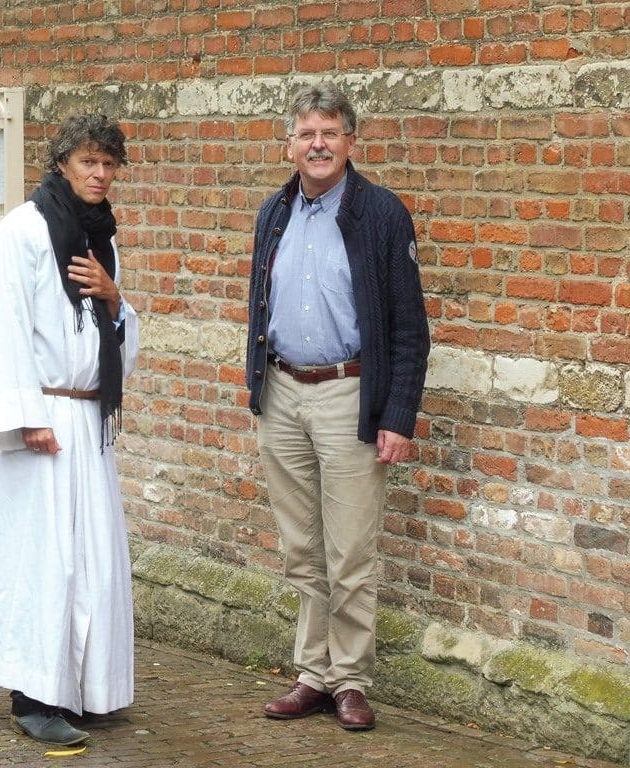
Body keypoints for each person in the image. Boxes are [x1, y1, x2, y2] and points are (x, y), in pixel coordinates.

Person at [245, 82, 430, 731]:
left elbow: (410, 327)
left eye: (329, 132)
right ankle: (313, 674)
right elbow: (257, 309)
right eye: (306, 133)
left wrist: (397, 416)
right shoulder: (274, 212)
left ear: (351, 140)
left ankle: (349, 679)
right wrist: (258, 389)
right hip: (284, 392)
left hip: (350, 394)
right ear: (289, 144)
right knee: (303, 550)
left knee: (349, 551)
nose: (317, 144)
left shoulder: (381, 215)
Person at [0, 113, 139, 747]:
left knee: (91, 561)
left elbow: (115, 332)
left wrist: (116, 299)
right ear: (62, 163)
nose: (101, 174)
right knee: (41, 562)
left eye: (110, 164)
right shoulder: (23, 231)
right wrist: (26, 419)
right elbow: (5, 326)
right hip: (43, 421)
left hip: (87, 418)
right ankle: (31, 694)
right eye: (90, 162)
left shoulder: (102, 238)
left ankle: (84, 687)